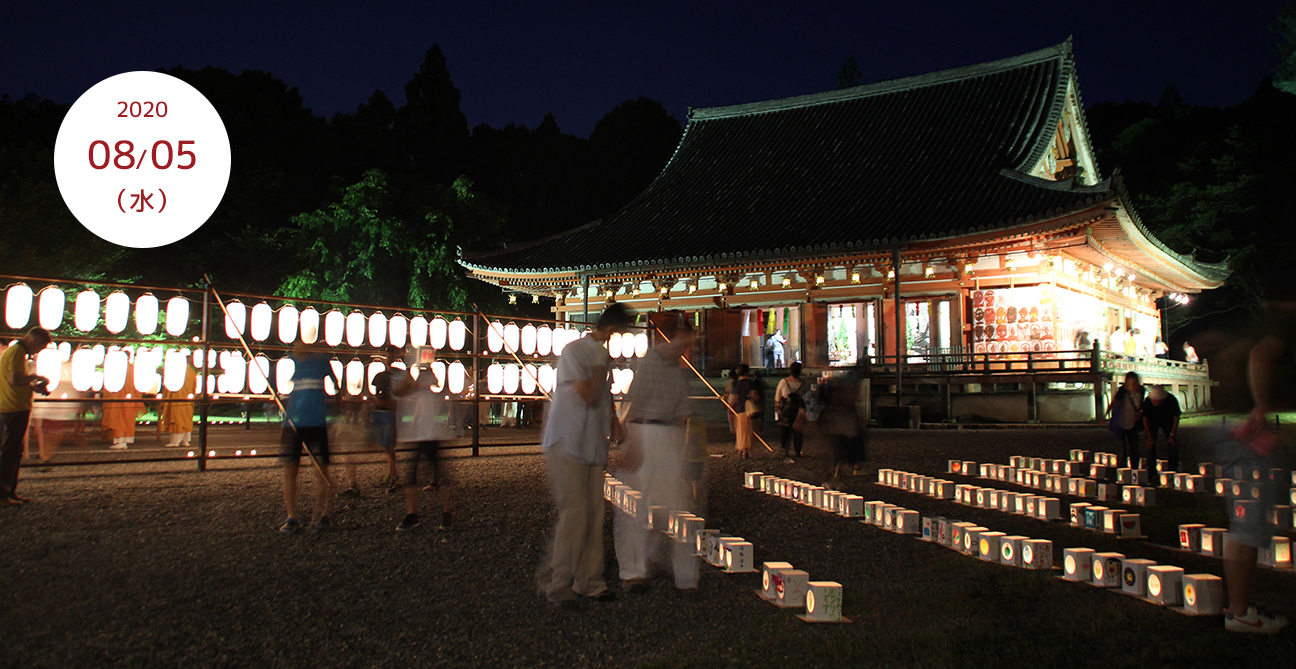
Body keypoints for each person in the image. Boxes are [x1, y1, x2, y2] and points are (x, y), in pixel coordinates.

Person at [539, 304, 630, 608]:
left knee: (593, 513)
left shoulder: (597, 355)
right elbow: (589, 393)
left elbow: (604, 399)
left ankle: (589, 581)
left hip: (591, 442)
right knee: (576, 512)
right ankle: (558, 584)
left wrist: (616, 429)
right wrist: (601, 363)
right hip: (567, 440)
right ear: (612, 328)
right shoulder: (575, 351)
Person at [1218, 309, 1292, 633]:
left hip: (1237, 430)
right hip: (1253, 435)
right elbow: (1260, 355)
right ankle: (1239, 612)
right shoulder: (1285, 325)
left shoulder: (1262, 320)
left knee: (1245, 521)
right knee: (1248, 524)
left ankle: (1239, 610)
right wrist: (1261, 407)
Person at [614, 319, 698, 593]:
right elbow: (635, 404)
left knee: (677, 506)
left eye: (687, 344)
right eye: (681, 342)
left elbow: (683, 412)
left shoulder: (676, 369)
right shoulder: (651, 362)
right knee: (636, 506)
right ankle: (633, 571)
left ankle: (685, 575)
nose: (683, 349)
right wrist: (632, 442)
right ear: (668, 339)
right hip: (646, 432)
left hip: (668, 434)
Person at [278, 339, 341, 534]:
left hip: (316, 420)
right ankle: (291, 516)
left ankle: (324, 513)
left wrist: (335, 406)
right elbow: (281, 387)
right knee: (291, 469)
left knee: (321, 468)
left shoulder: (321, 361)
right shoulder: (287, 364)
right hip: (294, 422)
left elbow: (336, 385)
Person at [394, 352, 455, 531]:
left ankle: (446, 513)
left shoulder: (429, 379)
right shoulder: (410, 379)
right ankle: (413, 514)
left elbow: (437, 387)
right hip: (419, 432)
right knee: (412, 473)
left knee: (438, 472)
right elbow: (399, 391)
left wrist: (418, 382)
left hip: (430, 432)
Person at [0, 328, 53, 505]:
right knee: (10, 451)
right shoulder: (16, 352)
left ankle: (10, 491)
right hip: (13, 407)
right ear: (35, 340)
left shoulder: (16, 351)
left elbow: (16, 380)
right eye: (41, 346)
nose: (38, 351)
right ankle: (3, 494)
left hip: (13, 405)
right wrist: (35, 377)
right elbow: (14, 379)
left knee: (15, 451)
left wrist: (34, 386)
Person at [342, 345, 402, 496]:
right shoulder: (381, 375)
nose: (389, 357)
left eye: (392, 354)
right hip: (379, 412)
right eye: (388, 354)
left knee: (388, 447)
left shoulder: (399, 375)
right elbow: (375, 394)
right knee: (382, 446)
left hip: (389, 413)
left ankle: (393, 477)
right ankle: (355, 483)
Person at [820, 368, 867, 489]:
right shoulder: (846, 391)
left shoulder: (834, 389)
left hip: (835, 425)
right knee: (840, 455)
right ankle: (833, 478)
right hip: (843, 426)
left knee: (836, 454)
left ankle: (832, 478)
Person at [1104, 371, 1144, 470]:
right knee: (1121, 448)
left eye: (1136, 384)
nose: (1135, 387)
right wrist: (1105, 415)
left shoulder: (1142, 391)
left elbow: (1141, 405)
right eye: (1132, 385)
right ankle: (1122, 470)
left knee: (1134, 447)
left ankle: (1135, 468)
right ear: (1127, 384)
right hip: (1120, 423)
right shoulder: (1122, 392)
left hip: (1133, 422)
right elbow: (1114, 403)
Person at [1141, 385, 1181, 482]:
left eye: (1158, 401)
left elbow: (1177, 417)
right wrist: (1150, 436)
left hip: (1167, 420)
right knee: (1150, 445)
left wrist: (1172, 434)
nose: (1155, 402)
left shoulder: (1171, 400)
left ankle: (1172, 469)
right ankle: (1151, 470)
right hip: (1152, 421)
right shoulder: (1148, 401)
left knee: (1172, 444)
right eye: (1154, 400)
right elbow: (1145, 418)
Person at [101, 361, 145, 450]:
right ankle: (123, 440)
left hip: (116, 399)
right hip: (130, 399)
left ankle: (120, 441)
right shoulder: (133, 369)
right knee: (125, 420)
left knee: (117, 420)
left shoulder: (115, 369)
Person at [159, 358, 198, 448]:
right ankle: (185, 440)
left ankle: (175, 441)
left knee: (177, 419)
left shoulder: (177, 372)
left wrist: (165, 396)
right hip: (188, 400)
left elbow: (169, 386)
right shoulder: (192, 372)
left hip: (177, 399)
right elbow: (194, 387)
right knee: (186, 419)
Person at [775, 362, 808, 463]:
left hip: (786, 410)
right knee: (798, 431)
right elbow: (806, 397)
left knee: (785, 431)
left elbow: (777, 397)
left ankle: (786, 451)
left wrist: (777, 410)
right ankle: (797, 451)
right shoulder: (803, 383)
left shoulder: (783, 382)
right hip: (798, 410)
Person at [731, 364, 757, 458]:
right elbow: (755, 395)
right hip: (749, 409)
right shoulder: (749, 383)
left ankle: (742, 448)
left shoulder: (737, 384)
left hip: (740, 409)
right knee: (748, 429)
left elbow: (733, 399)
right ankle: (745, 449)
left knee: (741, 430)